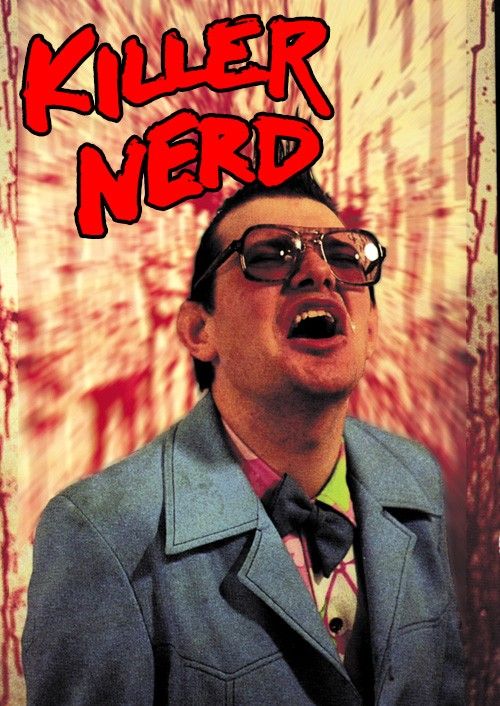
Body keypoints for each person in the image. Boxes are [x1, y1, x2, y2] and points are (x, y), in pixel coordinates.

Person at [22, 170, 464, 705]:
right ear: (199, 331)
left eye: (344, 256)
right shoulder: (99, 533)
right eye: (271, 254)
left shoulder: (416, 477)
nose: (320, 272)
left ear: (371, 330)